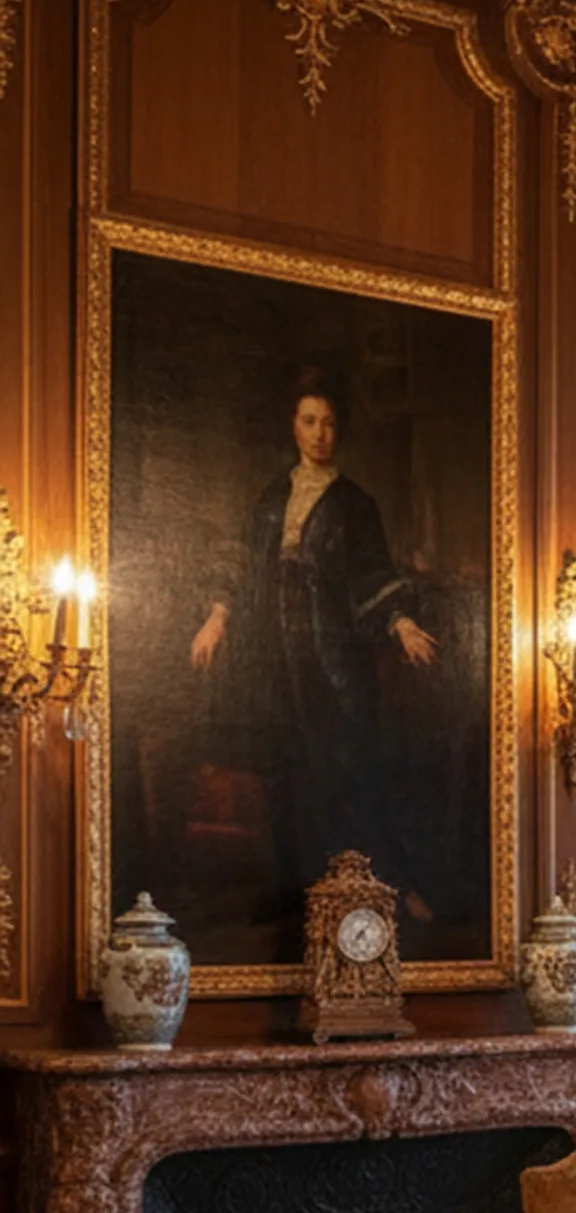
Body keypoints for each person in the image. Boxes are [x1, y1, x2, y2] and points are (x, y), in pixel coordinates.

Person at [189, 375, 438, 918]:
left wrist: (400, 624)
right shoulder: (272, 497)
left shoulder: (355, 503)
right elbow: (244, 563)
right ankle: (298, 893)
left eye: (328, 422)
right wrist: (217, 617)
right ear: (294, 427)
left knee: (348, 764)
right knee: (288, 769)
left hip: (332, 653)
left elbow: (372, 573)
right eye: (309, 421)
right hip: (276, 652)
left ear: (338, 429)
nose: (319, 433)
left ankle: (385, 884)